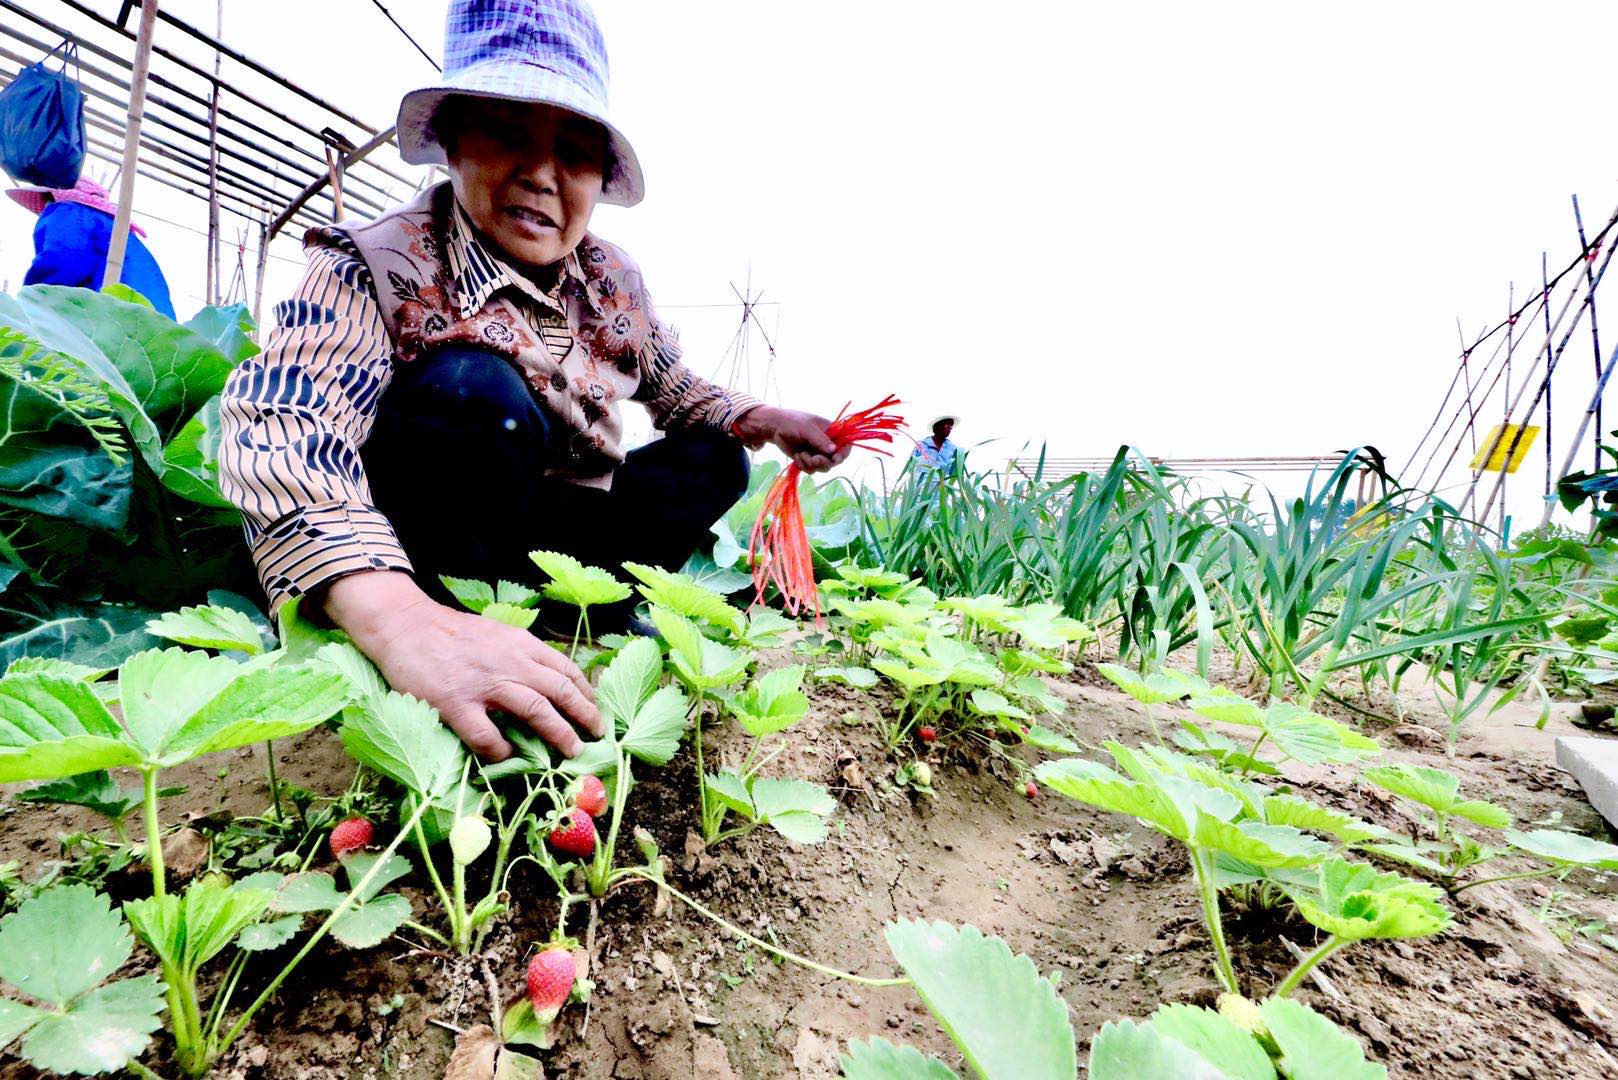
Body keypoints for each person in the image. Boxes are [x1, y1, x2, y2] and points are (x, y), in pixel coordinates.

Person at [217, 0, 850, 763]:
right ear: (452, 140)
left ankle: (584, 612)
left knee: (714, 458)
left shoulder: (614, 278)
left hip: (559, 530)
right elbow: (291, 427)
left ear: (599, 176)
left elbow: (675, 388)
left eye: (576, 151)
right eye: (509, 132)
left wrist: (769, 418)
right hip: (439, 525)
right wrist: (397, 621)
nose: (543, 175)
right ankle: (450, 621)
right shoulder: (373, 261)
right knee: (469, 390)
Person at [5, 175, 175, 317]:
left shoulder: (71, 212)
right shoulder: (121, 231)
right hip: (152, 325)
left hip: (109, 321)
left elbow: (61, 262)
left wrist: (31, 303)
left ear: (53, 197)